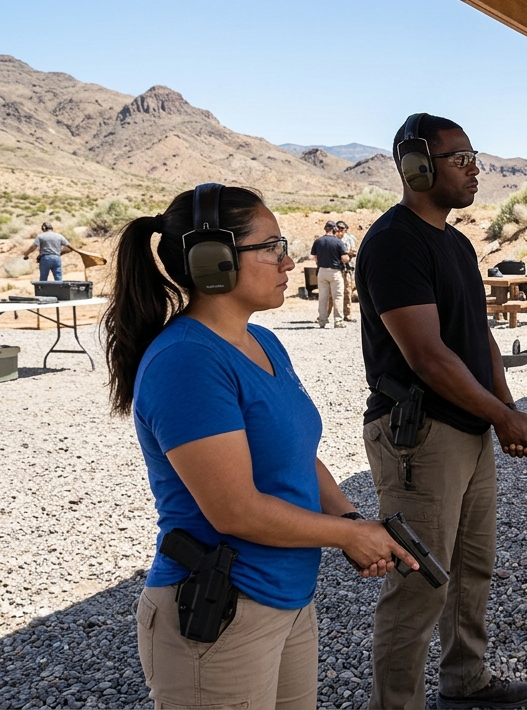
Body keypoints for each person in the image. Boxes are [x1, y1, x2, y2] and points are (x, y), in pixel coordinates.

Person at [100, 184, 414, 710]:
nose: (289, 261)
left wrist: (351, 519)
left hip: (287, 600)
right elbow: (235, 511)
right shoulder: (187, 360)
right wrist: (347, 535)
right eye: (271, 247)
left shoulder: (263, 342)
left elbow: (298, 455)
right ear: (212, 260)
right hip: (220, 611)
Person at [357, 113, 527, 709]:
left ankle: (465, 681)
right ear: (416, 167)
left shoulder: (456, 244)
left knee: (470, 570)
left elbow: (478, 335)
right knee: (419, 585)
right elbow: (428, 357)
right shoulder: (394, 241)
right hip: (420, 435)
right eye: (459, 159)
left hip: (465, 426)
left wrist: (505, 408)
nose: (474, 169)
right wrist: (501, 416)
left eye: (473, 157)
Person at [311, 221, 349, 328]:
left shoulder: (318, 241)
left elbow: (313, 257)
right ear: (334, 229)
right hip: (335, 272)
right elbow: (345, 258)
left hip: (322, 271)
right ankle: (338, 321)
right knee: (338, 297)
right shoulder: (338, 242)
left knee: (323, 297)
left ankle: (322, 320)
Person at [336, 220, 358, 322]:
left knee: (347, 292)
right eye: (339, 228)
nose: (341, 231)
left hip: (346, 268)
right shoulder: (333, 239)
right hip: (335, 268)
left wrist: (349, 253)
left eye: (342, 229)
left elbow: (353, 252)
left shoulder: (349, 239)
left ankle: (347, 314)